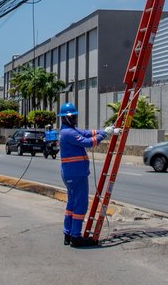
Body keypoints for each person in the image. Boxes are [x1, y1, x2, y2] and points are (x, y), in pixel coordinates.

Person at [58, 102, 119, 247]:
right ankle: (76, 237)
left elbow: (86, 133)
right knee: (80, 205)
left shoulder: (69, 130)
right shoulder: (68, 133)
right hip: (76, 174)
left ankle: (68, 233)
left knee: (72, 204)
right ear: (65, 118)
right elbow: (87, 142)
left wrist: (104, 130)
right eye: (72, 116)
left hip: (72, 174)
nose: (74, 118)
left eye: (74, 116)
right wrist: (105, 134)